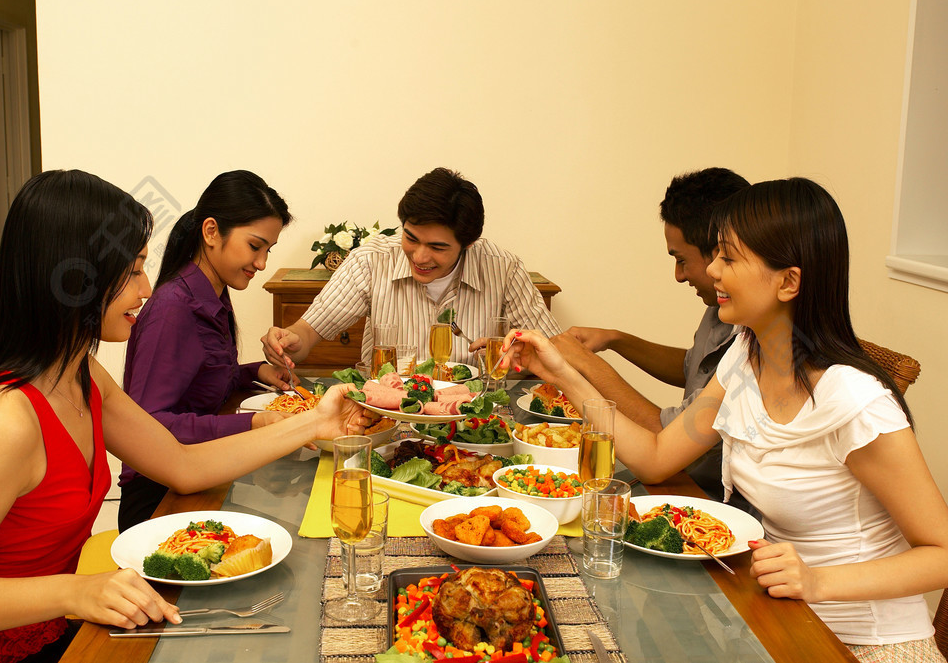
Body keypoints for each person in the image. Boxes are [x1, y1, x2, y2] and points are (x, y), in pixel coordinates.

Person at [0, 170, 367, 663]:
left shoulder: (83, 374)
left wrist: (317, 423)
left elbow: (181, 464)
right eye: (133, 269)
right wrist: (74, 592)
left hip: (49, 631)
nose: (144, 288)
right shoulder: (5, 417)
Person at [501, 178, 948, 660]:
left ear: (788, 281)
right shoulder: (745, 356)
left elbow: (941, 553)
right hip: (774, 620)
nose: (711, 269)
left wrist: (817, 580)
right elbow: (655, 458)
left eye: (729, 258)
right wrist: (561, 373)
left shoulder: (854, 402)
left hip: (863, 645)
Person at [553, 168, 749, 506]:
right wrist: (616, 340)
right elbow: (693, 366)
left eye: (682, 260)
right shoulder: (726, 317)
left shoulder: (755, 340)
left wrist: (580, 365)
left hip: (700, 493)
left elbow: (665, 441)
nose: (678, 276)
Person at [120, 170, 296, 531]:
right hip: (158, 494)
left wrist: (254, 371)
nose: (262, 263)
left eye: (268, 250)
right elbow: (149, 423)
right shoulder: (173, 308)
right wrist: (254, 423)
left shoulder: (212, 291)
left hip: (196, 469)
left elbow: (201, 381)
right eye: (255, 246)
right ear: (211, 231)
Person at [261, 167, 561, 371]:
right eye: (411, 238)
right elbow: (306, 334)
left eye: (437, 247)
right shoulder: (372, 260)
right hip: (384, 417)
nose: (419, 256)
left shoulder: (502, 269)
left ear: (468, 243)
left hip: (472, 421)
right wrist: (289, 342)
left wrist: (521, 351)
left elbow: (556, 352)